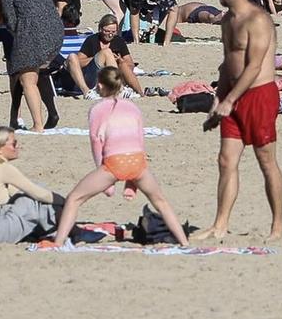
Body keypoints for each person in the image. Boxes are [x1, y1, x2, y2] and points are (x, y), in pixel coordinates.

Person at [44, 66, 191, 249]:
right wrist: (132, 182)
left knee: (75, 199)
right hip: (137, 161)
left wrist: (106, 178)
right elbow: (139, 141)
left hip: (114, 163)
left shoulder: (97, 110)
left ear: (99, 85)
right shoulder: (133, 108)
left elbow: (97, 143)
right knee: (161, 201)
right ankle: (184, 242)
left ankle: (58, 242)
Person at [198, 0, 282, 241]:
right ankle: (220, 224)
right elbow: (228, 63)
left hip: (258, 95)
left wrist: (230, 100)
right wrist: (219, 99)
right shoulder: (227, 20)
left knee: (266, 161)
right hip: (232, 97)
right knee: (226, 160)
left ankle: (277, 225)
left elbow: (255, 66)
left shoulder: (258, 20)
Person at [0, 0, 62, 132]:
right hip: (55, 30)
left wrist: (19, 35)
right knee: (37, 72)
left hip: (33, 34)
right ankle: (50, 113)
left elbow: (11, 20)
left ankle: (38, 124)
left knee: (27, 79)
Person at [0, 126, 64, 244]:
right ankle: (63, 228)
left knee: (27, 199)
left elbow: (15, 193)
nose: (18, 147)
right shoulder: (3, 169)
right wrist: (68, 202)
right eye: (14, 143)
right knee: (33, 200)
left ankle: (58, 226)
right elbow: (39, 194)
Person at [69, 13, 139, 97]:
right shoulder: (92, 40)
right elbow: (78, 62)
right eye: (107, 31)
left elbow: (130, 64)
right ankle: (120, 89)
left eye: (113, 32)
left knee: (121, 62)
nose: (110, 34)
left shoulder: (118, 41)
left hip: (110, 77)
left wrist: (119, 60)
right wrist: (98, 58)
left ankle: (137, 92)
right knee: (107, 52)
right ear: (100, 29)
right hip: (92, 75)